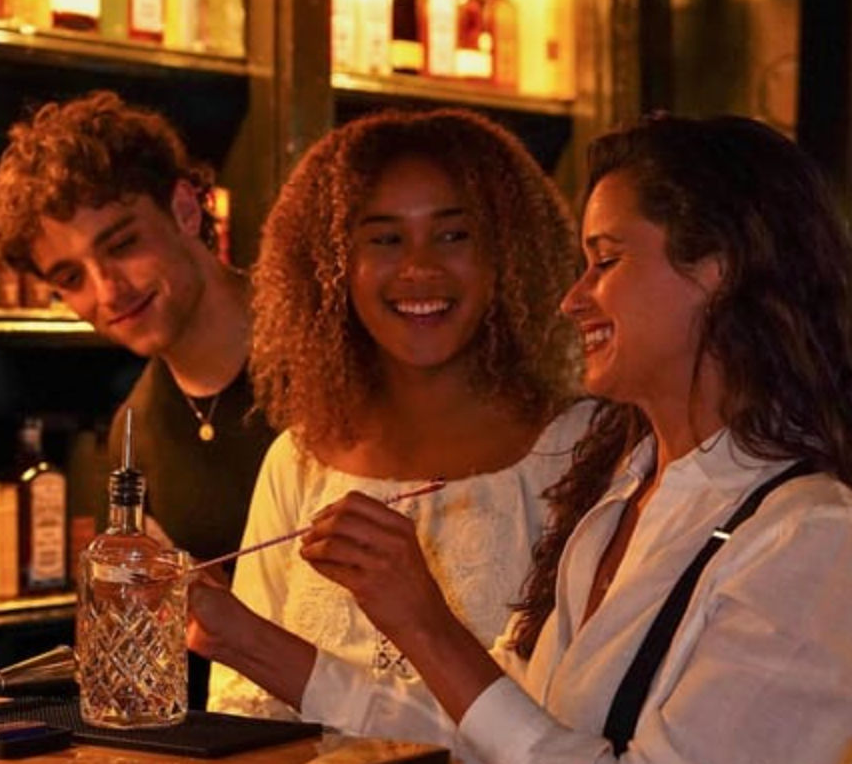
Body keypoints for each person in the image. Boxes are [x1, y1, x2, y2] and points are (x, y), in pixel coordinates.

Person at [274, 114, 852, 764]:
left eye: (605, 260)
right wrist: (235, 632)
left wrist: (424, 623)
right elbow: (487, 726)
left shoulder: (810, 539)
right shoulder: (621, 498)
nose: (571, 299)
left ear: (716, 268)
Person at [190, 107, 592, 739]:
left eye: (454, 235)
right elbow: (243, 719)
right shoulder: (298, 461)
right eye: (384, 239)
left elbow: (551, 736)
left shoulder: (582, 453)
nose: (419, 268)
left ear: (508, 254)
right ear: (330, 268)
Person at [0, 89, 276, 708]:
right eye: (70, 278)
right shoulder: (131, 438)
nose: (108, 290)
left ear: (183, 208)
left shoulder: (326, 354)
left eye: (121, 245)